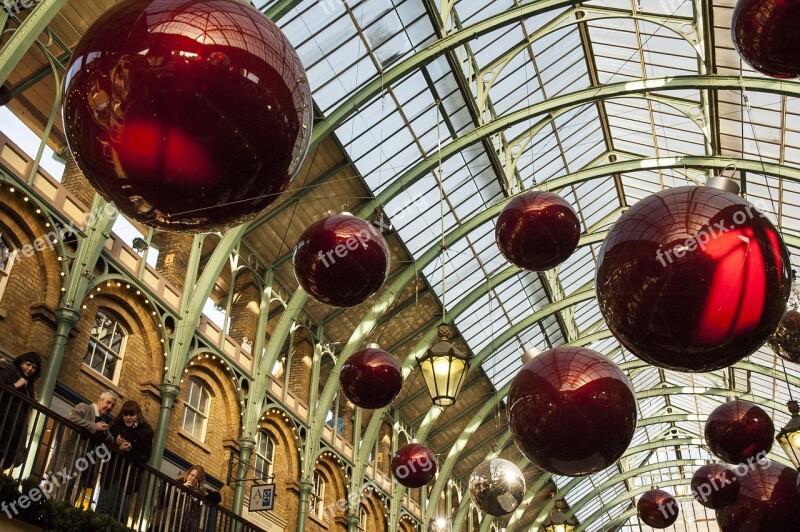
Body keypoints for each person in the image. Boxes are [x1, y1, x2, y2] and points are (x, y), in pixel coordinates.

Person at [51, 390, 118, 504]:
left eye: (113, 405)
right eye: (108, 402)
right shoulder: (85, 407)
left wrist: (110, 436)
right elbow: (70, 417)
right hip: (68, 461)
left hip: (84, 466)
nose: (109, 406)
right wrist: (93, 426)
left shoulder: (102, 421)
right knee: (54, 496)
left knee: (70, 501)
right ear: (100, 400)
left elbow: (111, 439)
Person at [95, 400, 154, 520]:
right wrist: (117, 445)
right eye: (125, 415)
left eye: (131, 415)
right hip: (111, 473)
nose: (128, 418)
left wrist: (131, 449)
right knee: (103, 506)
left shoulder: (145, 432)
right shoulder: (114, 428)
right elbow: (103, 449)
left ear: (137, 415)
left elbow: (145, 457)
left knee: (120, 510)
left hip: (129, 477)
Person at [0, 351, 42, 471]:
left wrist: (33, 402)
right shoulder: (9, 372)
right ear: (21, 362)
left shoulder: (30, 384)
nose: (30, 369)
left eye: (34, 367)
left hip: (15, 429)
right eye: (28, 364)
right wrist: (15, 386)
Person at [152, 465, 208, 532]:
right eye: (192, 475)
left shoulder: (198, 491)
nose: (193, 478)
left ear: (199, 481)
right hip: (166, 521)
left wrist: (200, 493)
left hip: (183, 524)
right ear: (188, 474)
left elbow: (216, 497)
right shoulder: (176, 483)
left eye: (196, 478)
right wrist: (180, 488)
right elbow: (164, 496)